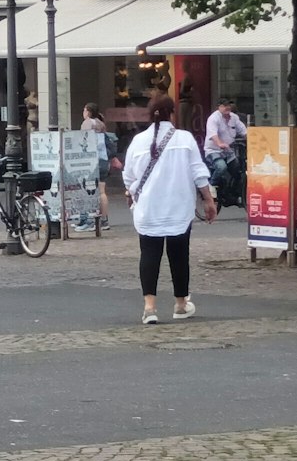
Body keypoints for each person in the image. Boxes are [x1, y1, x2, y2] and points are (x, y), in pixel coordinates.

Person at [122, 94, 214, 326]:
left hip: (149, 208)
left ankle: (149, 308)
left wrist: (131, 191)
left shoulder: (138, 141)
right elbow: (198, 171)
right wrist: (208, 200)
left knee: (149, 255)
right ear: (172, 113)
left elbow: (128, 176)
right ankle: (181, 304)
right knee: (179, 255)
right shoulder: (185, 138)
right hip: (178, 207)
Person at [81, 104, 113, 231]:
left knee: (89, 190)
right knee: (102, 191)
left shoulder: (87, 124)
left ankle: (90, 220)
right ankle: (104, 220)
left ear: (88, 112)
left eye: (84, 109)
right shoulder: (101, 123)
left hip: (91, 161)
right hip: (103, 159)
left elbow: (84, 141)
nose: (83, 112)